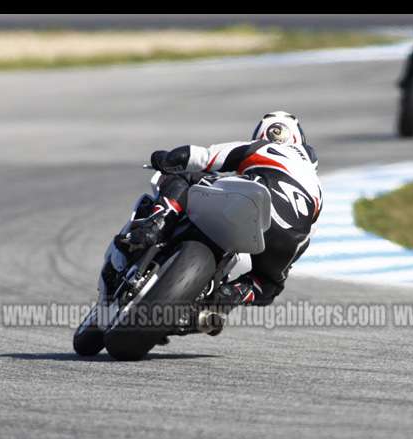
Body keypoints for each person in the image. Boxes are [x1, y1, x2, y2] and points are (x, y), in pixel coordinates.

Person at [114, 111, 323, 308]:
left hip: (249, 202)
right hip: (289, 237)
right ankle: (232, 295)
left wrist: (164, 159)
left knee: (184, 176)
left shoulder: (261, 148)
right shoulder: (317, 188)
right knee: (268, 285)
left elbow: (202, 157)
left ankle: (154, 226)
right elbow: (305, 239)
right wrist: (278, 265)